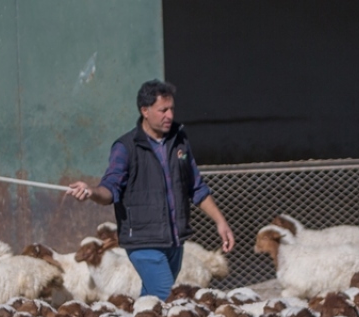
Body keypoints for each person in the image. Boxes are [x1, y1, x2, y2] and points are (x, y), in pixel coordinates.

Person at [67, 79, 236, 300]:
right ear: (145, 111)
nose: (169, 115)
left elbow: (195, 186)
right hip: (143, 241)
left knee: (151, 300)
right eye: (163, 110)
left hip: (174, 239)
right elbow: (109, 188)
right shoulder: (126, 147)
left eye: (172, 109)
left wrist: (220, 221)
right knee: (165, 293)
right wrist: (91, 192)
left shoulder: (179, 141)